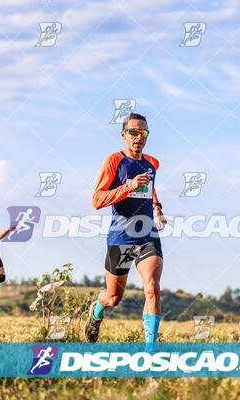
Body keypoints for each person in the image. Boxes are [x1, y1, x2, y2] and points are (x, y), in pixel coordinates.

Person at [85, 112, 166, 352]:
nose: (138, 137)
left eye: (143, 133)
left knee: (152, 287)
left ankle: (150, 351)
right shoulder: (113, 161)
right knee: (113, 298)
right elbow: (97, 200)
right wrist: (128, 186)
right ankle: (97, 310)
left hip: (148, 235)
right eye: (133, 132)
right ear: (123, 135)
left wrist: (157, 207)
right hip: (121, 237)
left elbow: (149, 188)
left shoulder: (153, 163)